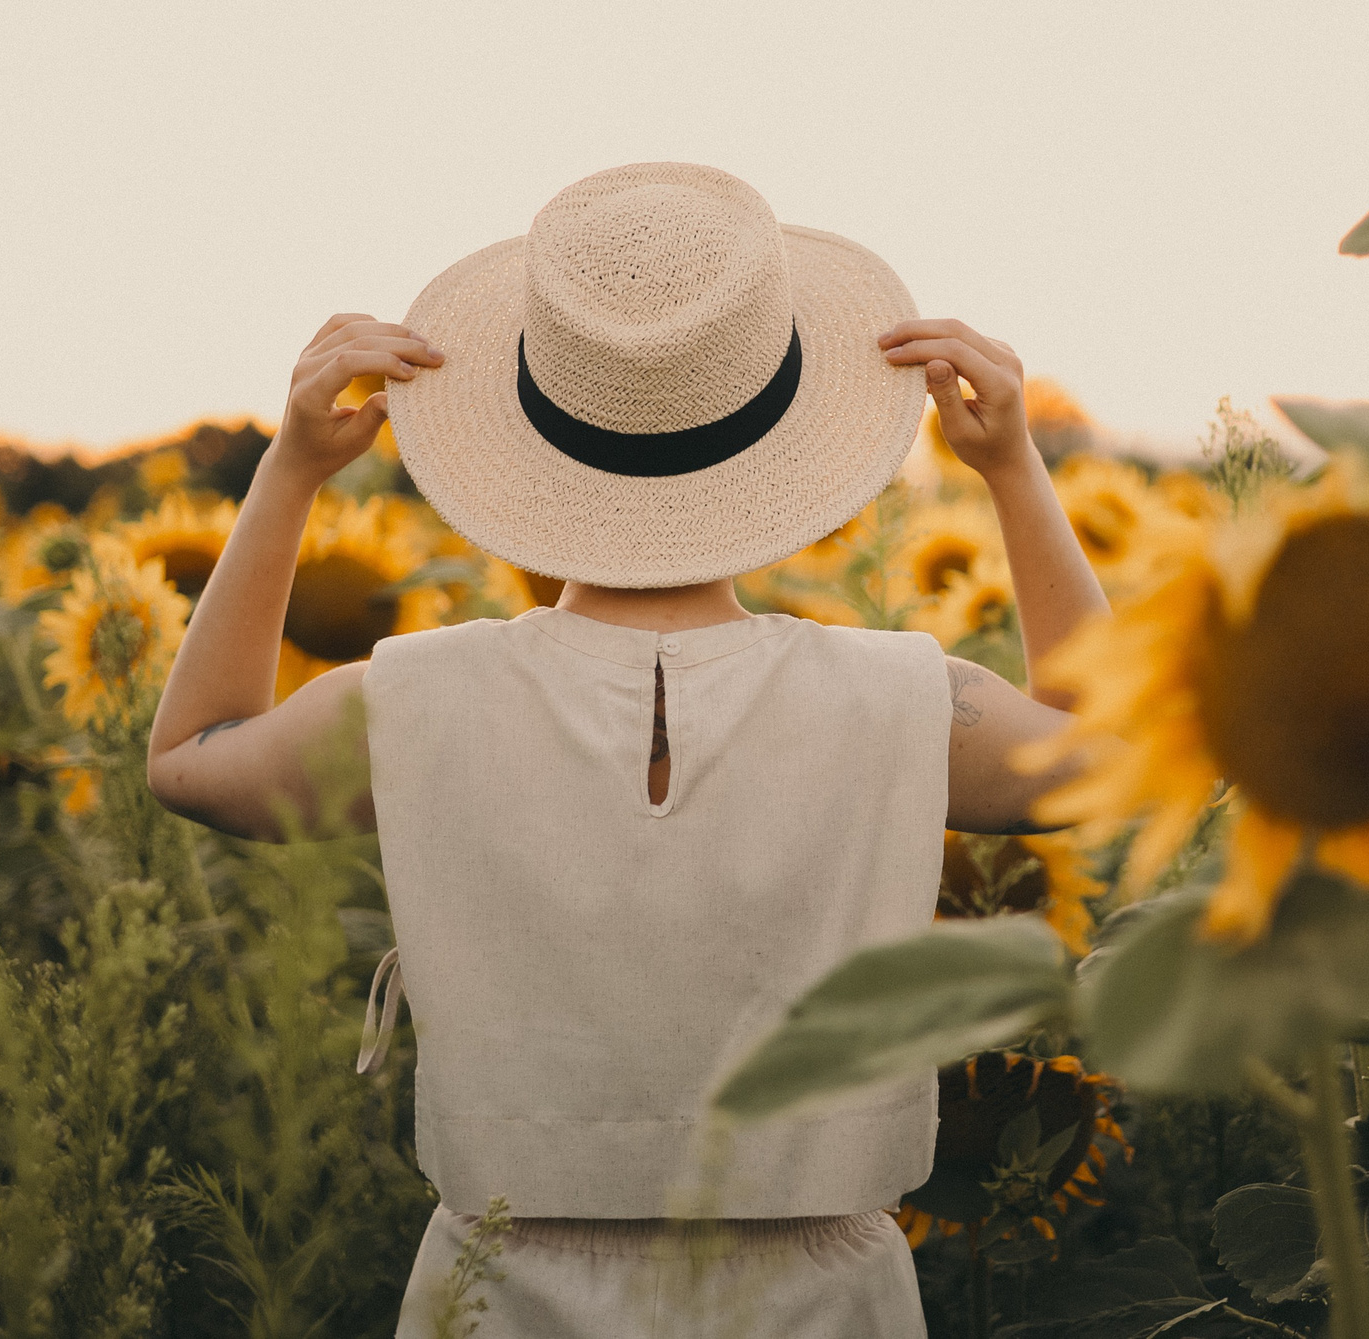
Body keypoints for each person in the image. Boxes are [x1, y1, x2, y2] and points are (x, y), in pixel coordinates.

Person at [145, 163, 1106, 1337]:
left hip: (500, 1288)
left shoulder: (413, 700)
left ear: (530, 424)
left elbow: (190, 754)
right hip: (817, 1297)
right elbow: (1108, 752)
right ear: (781, 429)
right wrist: (1012, 468)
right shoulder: (898, 698)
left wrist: (290, 467)